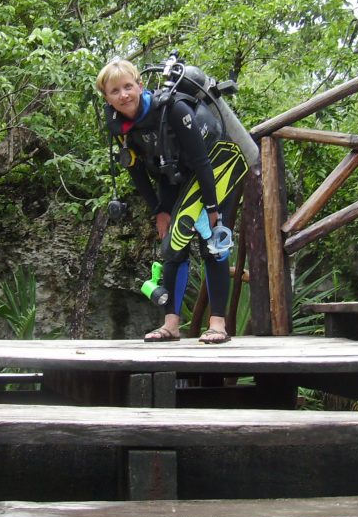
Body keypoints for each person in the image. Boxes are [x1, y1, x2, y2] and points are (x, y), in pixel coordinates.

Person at [95, 57, 249, 343]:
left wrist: (213, 209)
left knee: (214, 245)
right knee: (171, 247)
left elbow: (202, 161)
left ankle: (218, 326)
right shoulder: (119, 126)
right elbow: (136, 171)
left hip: (215, 167)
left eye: (128, 86)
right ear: (106, 97)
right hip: (172, 175)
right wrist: (159, 210)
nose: (123, 95)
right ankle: (171, 326)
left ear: (140, 85)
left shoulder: (174, 109)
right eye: (114, 91)